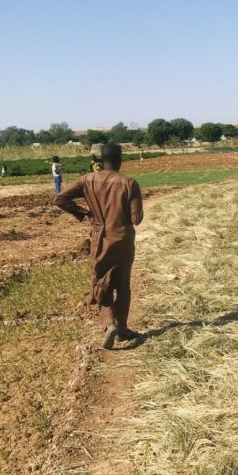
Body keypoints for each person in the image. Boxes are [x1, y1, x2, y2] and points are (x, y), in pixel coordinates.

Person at [55, 143, 144, 349]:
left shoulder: (87, 180)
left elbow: (60, 199)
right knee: (123, 288)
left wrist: (84, 212)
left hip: (99, 240)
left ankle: (109, 323)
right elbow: (137, 218)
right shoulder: (129, 183)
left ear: (101, 161)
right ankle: (121, 329)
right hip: (123, 240)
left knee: (100, 283)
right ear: (120, 159)